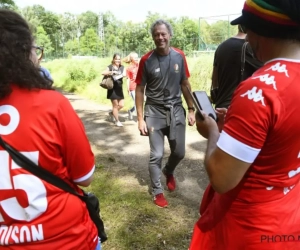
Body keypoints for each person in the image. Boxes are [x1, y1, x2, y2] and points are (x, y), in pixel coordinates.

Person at [190, 0, 300, 249]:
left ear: (259, 30)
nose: (247, 39)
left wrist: (213, 132)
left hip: (248, 228)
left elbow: (221, 177)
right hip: (289, 220)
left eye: (248, 30)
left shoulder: (259, 90)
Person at [0, 9, 100, 250]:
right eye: (36, 50)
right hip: (69, 239)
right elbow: (84, 177)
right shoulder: (52, 104)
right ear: (22, 53)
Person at [135, 19, 196, 208]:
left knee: (179, 152)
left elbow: (185, 84)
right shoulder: (147, 60)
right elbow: (139, 89)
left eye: (163, 34)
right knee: (157, 154)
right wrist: (139, 119)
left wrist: (192, 109)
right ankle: (157, 191)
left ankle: (169, 170)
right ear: (153, 37)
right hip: (154, 111)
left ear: (169, 35)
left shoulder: (179, 56)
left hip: (176, 109)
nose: (160, 37)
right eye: (156, 34)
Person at [210, 25, 262, 109]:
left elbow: (214, 81)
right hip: (240, 108)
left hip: (221, 106)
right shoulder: (251, 48)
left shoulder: (221, 47)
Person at [102, 53, 126, 127]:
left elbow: (125, 74)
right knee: (115, 106)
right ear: (113, 59)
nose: (118, 60)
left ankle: (112, 113)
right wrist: (112, 72)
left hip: (119, 88)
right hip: (112, 88)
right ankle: (117, 121)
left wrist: (122, 75)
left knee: (121, 105)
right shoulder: (110, 67)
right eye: (116, 59)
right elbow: (103, 72)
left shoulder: (122, 67)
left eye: (119, 59)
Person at [123, 52, 139, 120]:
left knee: (141, 101)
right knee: (137, 102)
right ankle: (139, 118)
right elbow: (128, 79)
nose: (136, 58)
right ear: (131, 59)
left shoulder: (139, 65)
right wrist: (128, 89)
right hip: (133, 87)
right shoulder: (129, 68)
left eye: (137, 57)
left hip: (140, 87)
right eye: (134, 57)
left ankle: (131, 111)